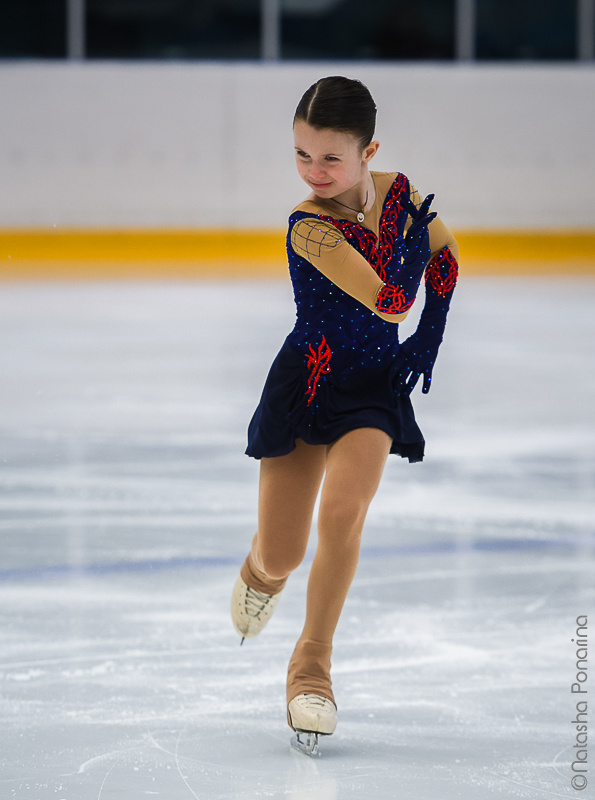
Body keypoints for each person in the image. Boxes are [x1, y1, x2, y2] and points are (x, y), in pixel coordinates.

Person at [231, 76, 459, 753]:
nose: (314, 171)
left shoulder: (399, 194)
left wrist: (430, 337)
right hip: (308, 380)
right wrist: (412, 267)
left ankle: (312, 667)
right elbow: (389, 299)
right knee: (283, 551)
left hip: (370, 387)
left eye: (330, 157)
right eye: (302, 155)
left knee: (343, 513)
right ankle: (259, 573)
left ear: (368, 152)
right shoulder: (309, 226)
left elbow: (445, 258)